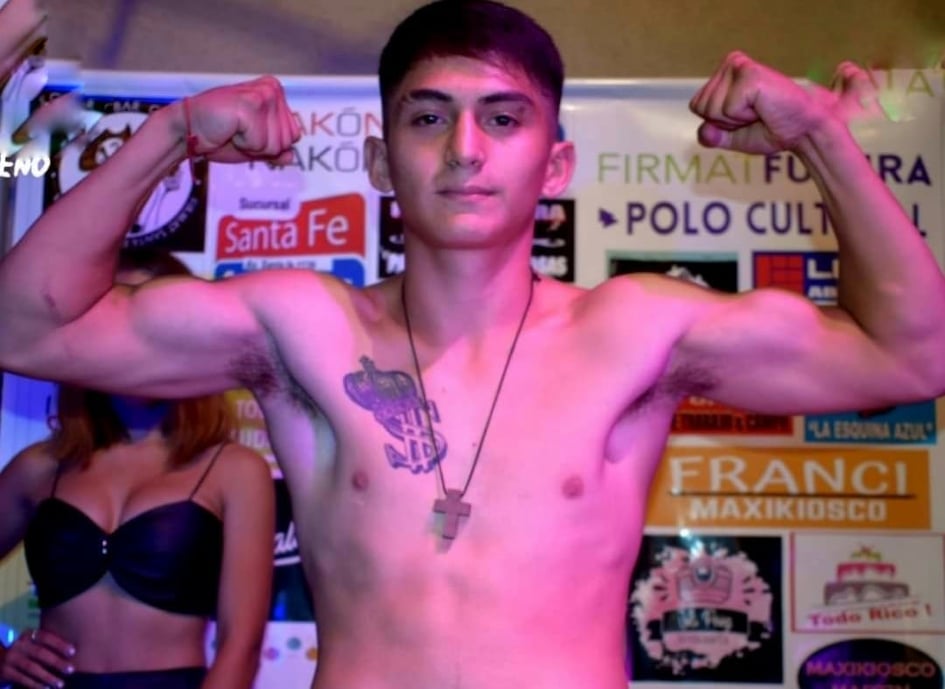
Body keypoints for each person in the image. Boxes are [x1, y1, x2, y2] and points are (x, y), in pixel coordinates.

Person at [1, 1, 945, 687]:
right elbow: (28, 327)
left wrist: (821, 138)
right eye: (428, 117)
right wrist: (168, 135)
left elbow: (912, 357)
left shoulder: (634, 330)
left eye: (502, 118)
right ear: (380, 161)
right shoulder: (306, 329)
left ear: (556, 162)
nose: (463, 148)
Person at [0, 250, 275, 689]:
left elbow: (241, 645)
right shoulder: (40, 467)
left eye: (156, 324)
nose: (137, 341)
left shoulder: (234, 471)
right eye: (119, 321)